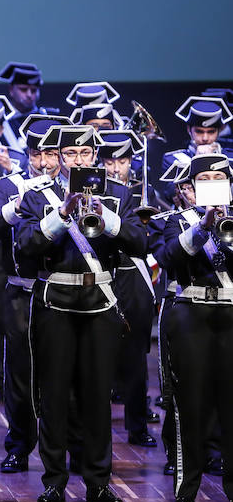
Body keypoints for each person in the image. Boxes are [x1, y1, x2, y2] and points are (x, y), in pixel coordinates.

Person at [16, 124, 146, 502]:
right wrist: (61, 214)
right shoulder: (37, 196)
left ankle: (98, 482)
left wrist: (107, 218)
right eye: (70, 154)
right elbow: (25, 246)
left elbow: (141, 243)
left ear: (94, 157)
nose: (78, 161)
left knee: (97, 397)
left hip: (100, 302)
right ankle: (54, 481)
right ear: (56, 157)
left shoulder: (118, 194)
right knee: (53, 395)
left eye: (85, 154)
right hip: (56, 302)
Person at [0, 115, 70, 474]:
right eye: (38, 154)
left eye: (52, 154)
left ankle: (70, 446)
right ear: (28, 154)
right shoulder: (9, 185)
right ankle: (19, 444)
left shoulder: (73, 187)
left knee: (66, 374)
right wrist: (17, 206)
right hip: (21, 294)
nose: (45, 162)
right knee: (19, 375)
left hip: (63, 292)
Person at [154, 153, 233, 502]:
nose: (214, 183)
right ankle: (187, 490)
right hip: (191, 315)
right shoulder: (174, 220)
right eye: (206, 178)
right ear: (191, 187)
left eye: (221, 177)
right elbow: (169, 257)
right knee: (191, 405)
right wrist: (203, 226)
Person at [97, 130, 161, 447]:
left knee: (135, 358)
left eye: (122, 160)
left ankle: (138, 426)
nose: (115, 167)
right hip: (103, 275)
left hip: (132, 276)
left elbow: (153, 237)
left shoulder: (140, 192)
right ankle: (97, 434)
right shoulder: (94, 192)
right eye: (109, 160)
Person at [159, 96, 233, 203]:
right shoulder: (173, 159)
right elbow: (170, 194)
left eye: (211, 131)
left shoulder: (230, 158)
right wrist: (197, 160)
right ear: (189, 129)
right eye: (199, 131)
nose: (205, 138)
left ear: (219, 130)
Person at [0, 61, 50, 150]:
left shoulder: (47, 117)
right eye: (23, 90)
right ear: (11, 90)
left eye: (34, 90)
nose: (29, 95)